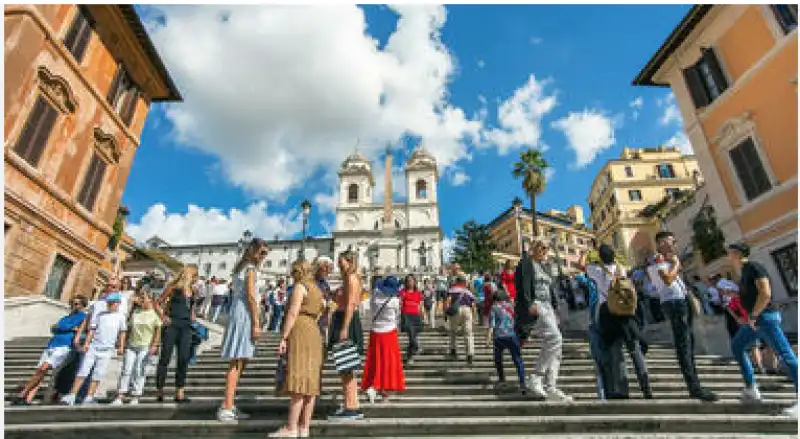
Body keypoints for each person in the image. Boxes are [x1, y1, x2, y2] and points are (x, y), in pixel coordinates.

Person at [726, 243, 798, 417]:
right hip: (755, 320)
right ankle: (751, 389)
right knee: (737, 346)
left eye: (729, 253)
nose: (728, 256)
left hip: (764, 317)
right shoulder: (743, 274)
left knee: (785, 354)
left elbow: (765, 293)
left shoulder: (754, 267)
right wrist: (735, 295)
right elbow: (751, 294)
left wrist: (753, 315)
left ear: (737, 253)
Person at [649, 231, 718, 402]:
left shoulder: (667, 260)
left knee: (688, 343)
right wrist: (675, 264)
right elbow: (667, 280)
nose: (675, 244)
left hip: (680, 301)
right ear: (662, 243)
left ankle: (695, 384)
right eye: (671, 241)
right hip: (674, 303)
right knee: (684, 345)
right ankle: (694, 387)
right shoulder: (658, 260)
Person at [583, 245, 652, 400]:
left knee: (616, 352)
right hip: (626, 312)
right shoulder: (621, 268)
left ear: (600, 257)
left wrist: (587, 253)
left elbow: (583, 265)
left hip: (608, 311)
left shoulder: (597, 270)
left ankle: (622, 389)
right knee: (635, 350)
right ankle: (646, 387)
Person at [270, 259, 326, 437]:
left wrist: (284, 337)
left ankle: (291, 427)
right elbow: (321, 312)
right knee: (310, 382)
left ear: (298, 271)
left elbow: (293, 312)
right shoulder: (318, 289)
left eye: (293, 271)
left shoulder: (300, 287)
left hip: (300, 328)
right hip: (314, 331)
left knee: (298, 378)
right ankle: (304, 427)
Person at [514, 237, 571, 402]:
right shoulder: (526, 263)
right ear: (534, 247)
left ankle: (551, 386)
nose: (545, 251)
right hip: (536, 305)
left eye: (547, 248)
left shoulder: (545, 267)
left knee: (556, 347)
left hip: (548, 308)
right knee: (555, 339)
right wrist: (529, 303)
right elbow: (522, 285)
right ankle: (536, 376)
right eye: (542, 247)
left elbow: (551, 289)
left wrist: (555, 309)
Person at [217, 239, 268, 421]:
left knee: (241, 360)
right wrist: (256, 322)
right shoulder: (250, 269)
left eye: (265, 254)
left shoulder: (242, 268)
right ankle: (226, 406)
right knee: (237, 360)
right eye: (261, 252)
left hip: (240, 311)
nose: (263, 257)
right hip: (244, 313)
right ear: (253, 251)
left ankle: (230, 402)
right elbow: (252, 296)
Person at [16, 295, 88, 405]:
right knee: (40, 372)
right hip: (52, 344)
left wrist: (62, 329)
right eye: (73, 303)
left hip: (64, 346)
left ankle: (23, 392)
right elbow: (54, 328)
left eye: (77, 304)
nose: (74, 306)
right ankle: (28, 399)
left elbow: (64, 329)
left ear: (83, 305)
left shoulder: (83, 317)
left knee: (43, 368)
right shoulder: (65, 318)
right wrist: (67, 328)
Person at [60, 293, 127, 405]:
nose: (110, 305)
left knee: (98, 373)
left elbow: (122, 332)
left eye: (113, 303)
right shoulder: (100, 315)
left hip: (107, 350)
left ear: (118, 303)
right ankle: (72, 394)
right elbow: (92, 330)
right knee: (83, 371)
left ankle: (89, 396)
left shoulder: (121, 317)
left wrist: (121, 346)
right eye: (109, 303)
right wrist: (86, 343)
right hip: (93, 347)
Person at [328, 249, 365, 421]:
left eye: (341, 261)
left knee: (346, 367)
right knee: (345, 367)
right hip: (343, 319)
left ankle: (351, 407)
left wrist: (344, 328)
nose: (338, 264)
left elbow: (351, 304)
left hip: (346, 321)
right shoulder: (349, 279)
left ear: (350, 262)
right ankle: (351, 405)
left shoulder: (351, 278)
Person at [154, 264, 199, 404]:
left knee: (184, 358)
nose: (197, 278)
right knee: (165, 357)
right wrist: (163, 317)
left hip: (186, 326)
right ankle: (160, 390)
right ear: (189, 274)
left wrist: (193, 317)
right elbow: (157, 303)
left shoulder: (193, 291)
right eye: (195, 275)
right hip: (172, 324)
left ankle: (179, 392)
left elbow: (191, 310)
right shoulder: (173, 288)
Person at [112, 288, 162, 405]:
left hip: (145, 346)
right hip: (131, 345)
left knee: (139, 370)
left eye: (143, 297)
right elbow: (128, 328)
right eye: (140, 297)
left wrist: (154, 345)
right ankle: (120, 395)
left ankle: (136, 395)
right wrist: (122, 344)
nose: (140, 299)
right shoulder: (136, 312)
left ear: (150, 299)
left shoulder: (155, 314)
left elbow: (157, 332)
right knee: (126, 370)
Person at [362, 275, 406, 403]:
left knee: (375, 361)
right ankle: (382, 390)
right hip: (389, 332)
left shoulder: (375, 297)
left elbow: (369, 309)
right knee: (388, 362)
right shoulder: (395, 301)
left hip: (375, 331)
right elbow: (397, 315)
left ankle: (374, 387)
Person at [717, 278, 764, 373]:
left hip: (751, 321)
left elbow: (729, 308)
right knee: (754, 344)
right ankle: (760, 366)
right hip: (751, 321)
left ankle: (759, 366)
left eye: (728, 291)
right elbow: (729, 308)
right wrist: (737, 318)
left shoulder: (738, 297)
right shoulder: (737, 298)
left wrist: (737, 319)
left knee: (754, 344)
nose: (726, 293)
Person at [486, 288, 526, 394]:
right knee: (518, 359)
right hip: (512, 335)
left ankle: (502, 379)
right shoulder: (511, 306)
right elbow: (518, 320)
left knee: (498, 359)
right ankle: (522, 382)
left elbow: (492, 325)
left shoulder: (494, 308)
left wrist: (488, 339)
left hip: (499, 337)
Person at [446, 275, 476, 365]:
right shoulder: (468, 292)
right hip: (467, 310)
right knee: (468, 333)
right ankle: (470, 354)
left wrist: (446, 312)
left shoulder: (452, 290)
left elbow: (448, 301)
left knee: (453, 331)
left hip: (456, 310)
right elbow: (473, 305)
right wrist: (474, 317)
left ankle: (453, 349)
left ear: (457, 282)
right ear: (464, 282)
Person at [399, 274, 423, 365]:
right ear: (406, 282)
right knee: (412, 336)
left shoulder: (418, 293)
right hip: (406, 316)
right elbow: (400, 304)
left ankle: (410, 355)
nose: (410, 282)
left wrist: (423, 316)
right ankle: (414, 349)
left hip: (416, 316)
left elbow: (420, 305)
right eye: (408, 280)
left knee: (412, 337)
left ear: (414, 282)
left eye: (411, 280)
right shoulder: (402, 292)